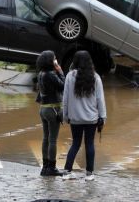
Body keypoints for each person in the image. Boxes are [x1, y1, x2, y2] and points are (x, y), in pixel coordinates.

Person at [62, 50, 106, 181]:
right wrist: (102, 117)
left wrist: (66, 115)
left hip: (75, 118)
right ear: (89, 61)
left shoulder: (70, 76)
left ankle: (66, 172)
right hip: (91, 118)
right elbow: (100, 99)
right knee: (89, 144)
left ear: (74, 61)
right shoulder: (95, 77)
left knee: (75, 143)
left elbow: (65, 98)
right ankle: (89, 174)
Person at [35, 50, 65, 177]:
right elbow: (63, 85)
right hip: (53, 109)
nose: (56, 60)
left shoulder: (41, 73)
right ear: (51, 61)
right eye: (54, 59)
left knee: (45, 138)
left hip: (43, 109)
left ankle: (45, 167)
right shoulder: (51, 74)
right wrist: (61, 71)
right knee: (53, 140)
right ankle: (52, 168)